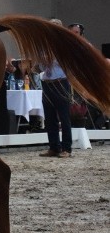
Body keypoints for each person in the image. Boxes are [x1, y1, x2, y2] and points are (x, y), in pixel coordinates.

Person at [38, 19, 72, 158]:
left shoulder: (65, 45)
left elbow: (67, 62)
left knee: (64, 117)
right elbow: (40, 66)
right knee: (49, 117)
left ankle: (66, 148)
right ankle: (54, 147)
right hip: (47, 82)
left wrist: (50, 59)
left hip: (60, 82)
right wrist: (42, 61)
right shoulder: (44, 45)